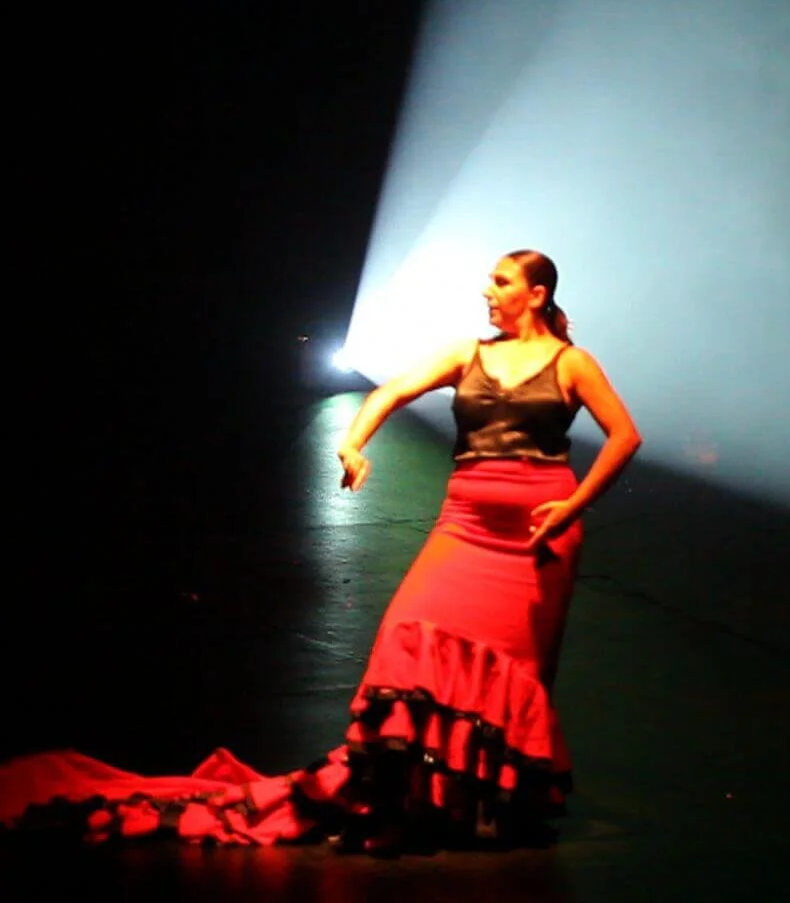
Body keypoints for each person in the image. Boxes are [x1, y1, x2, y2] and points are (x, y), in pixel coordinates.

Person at [0, 250, 642, 851]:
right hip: (466, 521)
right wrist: (353, 443)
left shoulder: (571, 363)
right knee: (408, 634)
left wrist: (573, 505)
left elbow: (623, 436)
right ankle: (401, 798)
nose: (486, 291)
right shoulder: (467, 352)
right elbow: (390, 391)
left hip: (539, 533)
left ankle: (481, 809)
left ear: (536, 293)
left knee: (514, 675)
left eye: (500, 283)